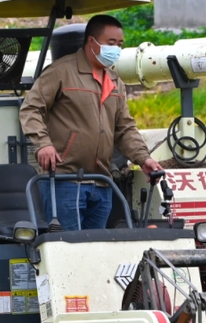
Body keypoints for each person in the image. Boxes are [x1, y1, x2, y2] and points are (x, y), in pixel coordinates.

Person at [18, 13, 163, 231]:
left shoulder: (115, 81)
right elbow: (31, 108)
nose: (116, 48)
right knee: (67, 249)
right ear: (92, 42)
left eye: (120, 44)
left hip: (102, 182)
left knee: (97, 249)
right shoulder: (61, 72)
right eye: (110, 43)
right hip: (65, 181)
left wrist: (143, 159)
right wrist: (43, 143)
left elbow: (124, 128)